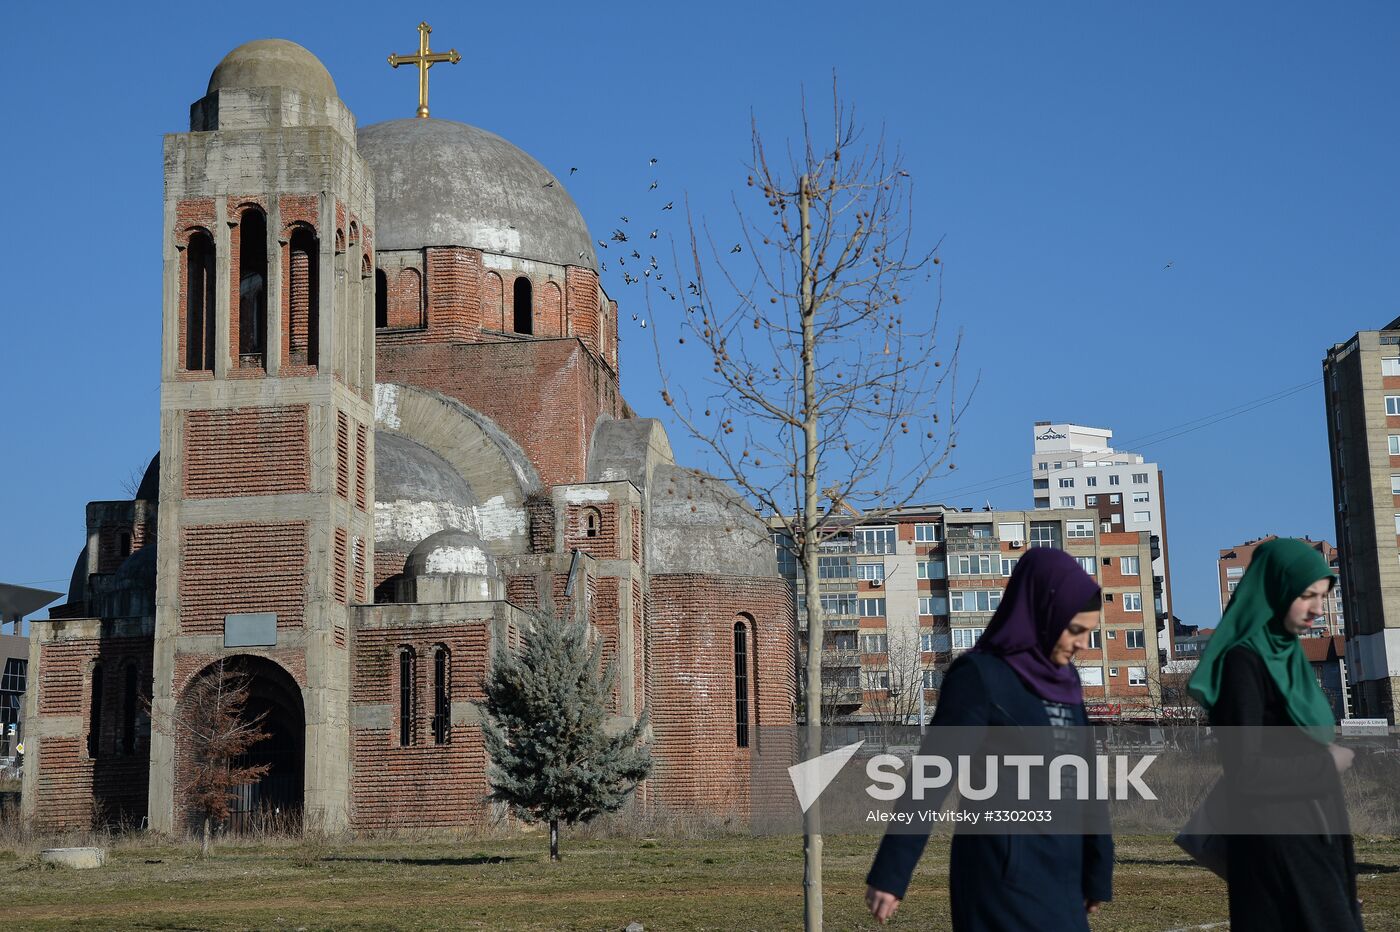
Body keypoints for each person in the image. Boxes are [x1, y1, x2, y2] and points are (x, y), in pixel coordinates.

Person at [865, 546, 1112, 929]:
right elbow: (931, 778)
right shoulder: (980, 677)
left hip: (1064, 874)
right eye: (1075, 630)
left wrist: (1097, 869)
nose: (1083, 644)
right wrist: (891, 872)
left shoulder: (1067, 683)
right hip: (1001, 874)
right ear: (1044, 613)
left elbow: (1086, 781)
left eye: (1089, 633)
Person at [1187, 537, 1362, 931]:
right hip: (1277, 848)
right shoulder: (1243, 663)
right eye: (1307, 596)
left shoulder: (1289, 656)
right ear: (1275, 589)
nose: (1318, 609)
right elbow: (1244, 771)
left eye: (1322, 596)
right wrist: (1327, 761)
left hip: (1317, 836)